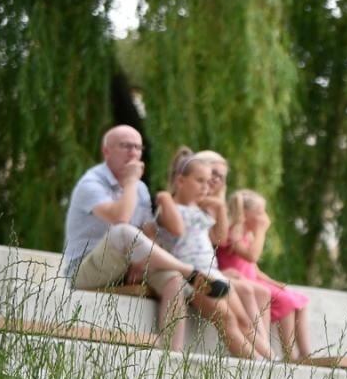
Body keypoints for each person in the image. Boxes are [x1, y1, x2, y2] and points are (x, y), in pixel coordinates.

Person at [60, 125, 230, 300]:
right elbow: (121, 219)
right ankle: (190, 272)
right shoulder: (91, 183)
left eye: (138, 147)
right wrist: (131, 180)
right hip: (86, 271)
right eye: (126, 146)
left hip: (126, 266)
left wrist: (142, 261)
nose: (133, 153)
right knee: (122, 232)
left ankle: (173, 324)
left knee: (175, 282)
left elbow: (148, 231)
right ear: (106, 151)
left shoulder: (140, 189)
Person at [147, 147, 271, 360]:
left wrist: (221, 208)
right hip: (194, 276)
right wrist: (166, 198)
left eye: (208, 182)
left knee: (243, 319)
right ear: (180, 181)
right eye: (200, 181)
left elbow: (220, 239)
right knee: (226, 319)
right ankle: (259, 367)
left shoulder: (198, 209)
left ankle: (272, 361)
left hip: (213, 272)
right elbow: (177, 229)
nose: (206, 187)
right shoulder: (168, 207)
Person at [217, 188, 314, 361]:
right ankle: (290, 354)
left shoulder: (247, 234)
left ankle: (305, 354)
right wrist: (261, 231)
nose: (264, 217)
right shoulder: (234, 233)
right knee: (287, 301)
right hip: (243, 282)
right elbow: (252, 255)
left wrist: (275, 282)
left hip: (253, 279)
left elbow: (254, 268)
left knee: (298, 299)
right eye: (260, 212)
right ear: (245, 214)